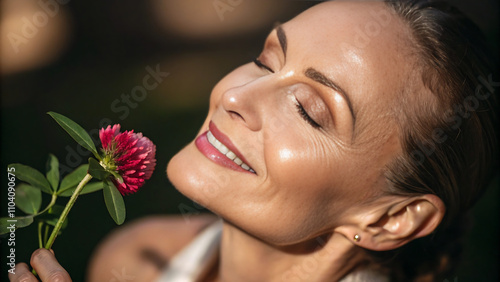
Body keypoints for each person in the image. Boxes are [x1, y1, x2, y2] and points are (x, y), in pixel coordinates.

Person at [9, 0, 498, 281]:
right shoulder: (136, 260)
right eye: (265, 60)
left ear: (389, 218)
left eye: (308, 110)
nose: (236, 94)